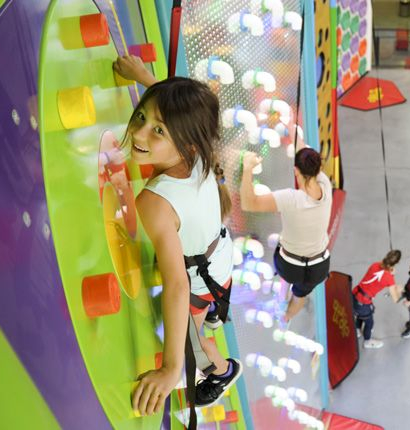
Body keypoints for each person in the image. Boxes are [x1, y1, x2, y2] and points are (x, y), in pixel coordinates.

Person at [113, 56, 242, 417]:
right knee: (204, 305)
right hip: (219, 256)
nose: (138, 133)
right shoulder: (197, 149)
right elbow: (177, 112)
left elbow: (176, 285)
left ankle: (222, 371)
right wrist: (144, 77)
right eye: (142, 117)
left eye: (157, 131)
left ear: (186, 143)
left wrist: (172, 369)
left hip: (200, 282)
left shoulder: (154, 203)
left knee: (193, 342)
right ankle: (214, 312)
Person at [240, 148, 333, 322]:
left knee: (284, 256)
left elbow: (248, 203)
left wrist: (248, 168)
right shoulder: (325, 186)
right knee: (300, 294)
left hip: (290, 265)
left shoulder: (289, 198)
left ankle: (281, 297)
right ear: (318, 169)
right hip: (319, 266)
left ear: (296, 170)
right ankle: (286, 318)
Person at [352, 250, 403, 349]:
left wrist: (390, 273)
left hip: (354, 294)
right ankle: (368, 341)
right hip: (364, 303)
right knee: (369, 322)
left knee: (359, 314)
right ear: (396, 263)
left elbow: (381, 272)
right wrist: (399, 289)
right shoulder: (389, 278)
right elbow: (396, 299)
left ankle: (357, 330)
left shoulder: (374, 265)